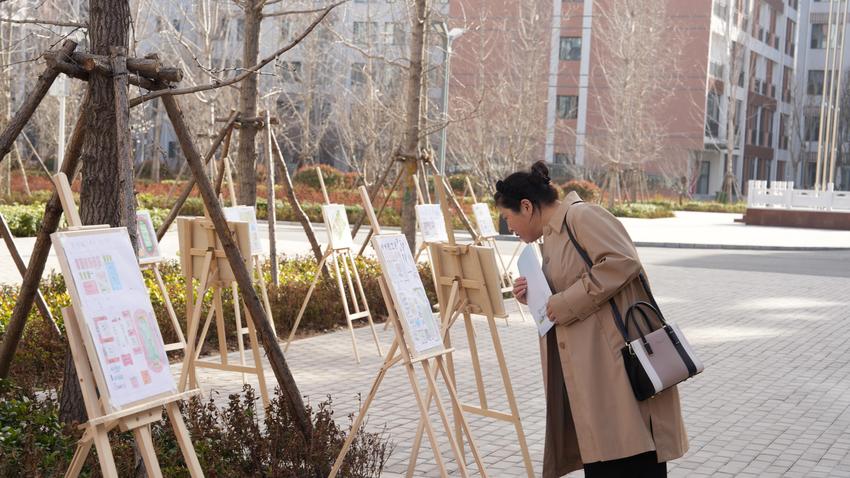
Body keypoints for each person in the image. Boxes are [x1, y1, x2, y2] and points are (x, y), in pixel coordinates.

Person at [495, 161, 688, 478]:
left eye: (508, 218)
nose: (509, 227)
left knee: (631, 459)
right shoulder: (553, 236)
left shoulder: (582, 216)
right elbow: (571, 286)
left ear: (526, 207)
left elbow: (622, 262)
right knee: (605, 460)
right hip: (592, 375)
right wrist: (536, 293)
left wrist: (565, 301)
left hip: (617, 372)